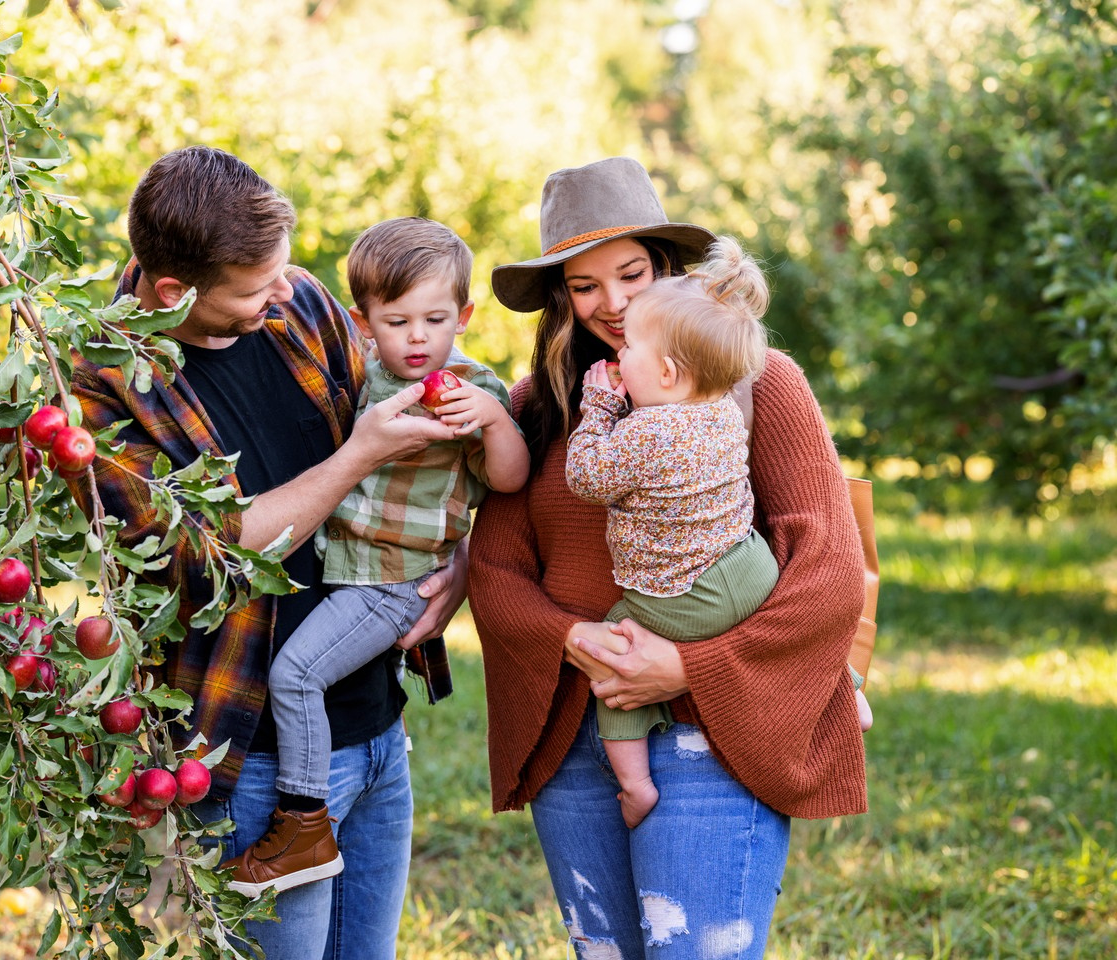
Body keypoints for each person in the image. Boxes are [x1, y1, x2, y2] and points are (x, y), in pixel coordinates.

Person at [68, 146, 467, 959]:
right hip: (252, 759)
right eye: (257, 288)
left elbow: (420, 449)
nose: (285, 292)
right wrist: (355, 454)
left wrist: (457, 566)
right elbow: (201, 550)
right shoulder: (96, 389)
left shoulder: (300, 306)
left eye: (283, 272)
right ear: (175, 291)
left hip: (375, 726)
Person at [469, 156, 868, 959]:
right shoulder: (539, 408)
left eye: (631, 273)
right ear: (561, 299)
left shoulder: (756, 381)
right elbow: (496, 572)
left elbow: (827, 569)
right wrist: (572, 640)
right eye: (584, 287)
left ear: (667, 267)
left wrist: (691, 666)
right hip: (581, 732)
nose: (612, 304)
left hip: (711, 729)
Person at [221, 217, 529, 897]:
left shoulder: (469, 389)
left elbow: (507, 481)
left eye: (435, 319)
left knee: (295, 674)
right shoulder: (359, 377)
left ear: (465, 316)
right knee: (305, 667)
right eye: (398, 321)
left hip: (394, 581)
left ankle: (303, 823)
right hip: (351, 572)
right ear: (362, 321)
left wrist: (495, 420)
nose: (418, 338)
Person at [564, 235, 779, 831]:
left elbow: (586, 478)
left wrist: (599, 410)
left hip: (683, 599)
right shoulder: (723, 409)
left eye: (631, 345)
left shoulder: (645, 430)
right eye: (584, 286)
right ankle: (846, 689)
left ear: (663, 370)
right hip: (749, 567)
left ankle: (635, 785)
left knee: (612, 658)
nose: (619, 340)